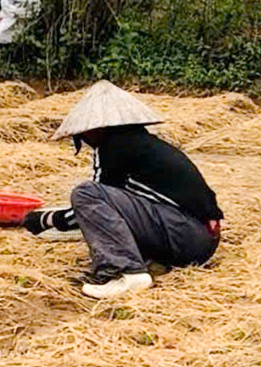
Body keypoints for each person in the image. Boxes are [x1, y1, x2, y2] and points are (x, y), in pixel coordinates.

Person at [21, 81, 223, 299]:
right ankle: (150, 263)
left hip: (185, 235)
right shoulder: (145, 144)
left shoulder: (113, 148)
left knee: (85, 193)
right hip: (202, 239)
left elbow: (94, 203)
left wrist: (45, 220)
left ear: (94, 128)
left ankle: (125, 271)